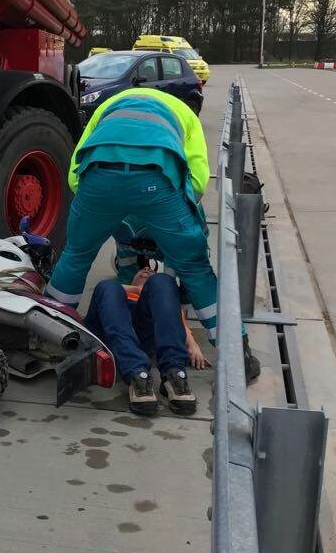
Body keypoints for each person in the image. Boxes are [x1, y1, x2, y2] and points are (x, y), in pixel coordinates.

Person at [46, 86, 260, 381]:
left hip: (97, 179)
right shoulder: (186, 115)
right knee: (195, 268)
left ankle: (52, 332)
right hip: (156, 179)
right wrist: (166, 219)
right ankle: (238, 352)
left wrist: (115, 215)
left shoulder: (107, 107)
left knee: (76, 255)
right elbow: (196, 180)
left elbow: (74, 174)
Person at [86, 265, 209, 416]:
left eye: (151, 270)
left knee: (163, 280)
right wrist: (136, 289)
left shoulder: (156, 298)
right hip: (109, 328)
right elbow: (109, 291)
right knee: (107, 285)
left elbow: (174, 318)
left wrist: (191, 342)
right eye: (142, 269)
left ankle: (174, 376)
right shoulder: (115, 291)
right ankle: (137, 374)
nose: (146, 269)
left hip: (142, 333)